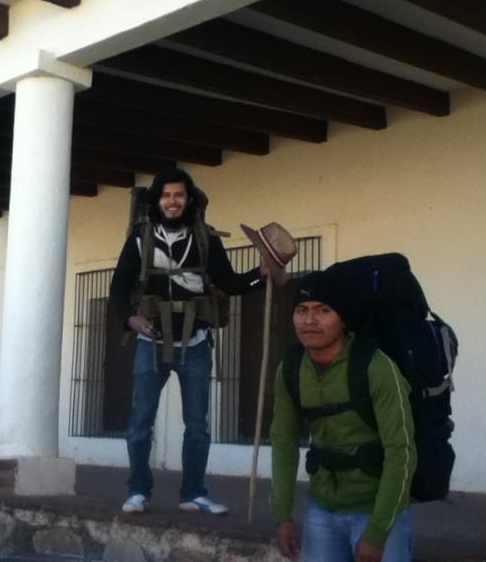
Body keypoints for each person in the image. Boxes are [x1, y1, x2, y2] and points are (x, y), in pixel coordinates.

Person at [109, 168, 296, 515]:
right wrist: (129, 319)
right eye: (166, 195)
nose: (173, 201)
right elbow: (118, 287)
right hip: (151, 341)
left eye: (179, 195)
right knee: (140, 422)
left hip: (195, 341)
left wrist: (260, 276)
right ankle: (138, 490)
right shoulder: (139, 237)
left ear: (189, 198)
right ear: (158, 199)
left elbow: (230, 283)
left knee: (197, 424)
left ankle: (193, 493)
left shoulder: (207, 238)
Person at [270, 271, 417, 561]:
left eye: (323, 310)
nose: (309, 320)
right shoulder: (290, 369)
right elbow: (283, 442)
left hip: (377, 510)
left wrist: (377, 532)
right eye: (302, 310)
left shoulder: (377, 368)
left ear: (344, 318)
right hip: (322, 508)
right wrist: (282, 516)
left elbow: (402, 453)